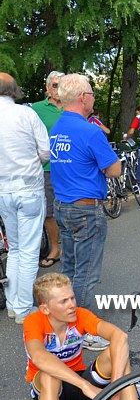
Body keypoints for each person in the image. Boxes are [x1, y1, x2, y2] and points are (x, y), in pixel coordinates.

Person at [50, 73, 120, 350]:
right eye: (91, 94)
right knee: (86, 273)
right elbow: (114, 169)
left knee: (68, 268)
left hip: (62, 206)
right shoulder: (90, 130)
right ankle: (81, 329)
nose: (93, 98)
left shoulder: (56, 127)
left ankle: (61, 322)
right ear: (82, 98)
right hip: (86, 209)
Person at [0, 72, 49, 323]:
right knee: (29, 252)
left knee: (15, 248)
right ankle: (22, 308)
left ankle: (12, 303)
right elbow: (45, 151)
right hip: (28, 187)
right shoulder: (26, 114)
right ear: (14, 90)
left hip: (3, 190)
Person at [32, 71, 64, 268]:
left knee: (72, 208)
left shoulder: (73, 108)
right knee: (50, 211)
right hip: (47, 167)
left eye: (61, 85)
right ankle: (55, 248)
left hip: (71, 167)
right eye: (54, 85)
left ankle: (71, 248)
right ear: (47, 88)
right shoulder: (35, 109)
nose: (58, 89)